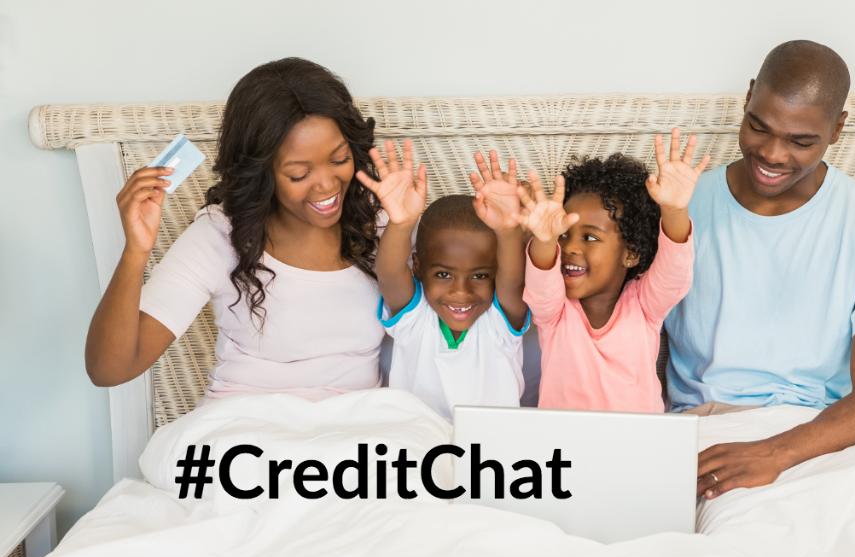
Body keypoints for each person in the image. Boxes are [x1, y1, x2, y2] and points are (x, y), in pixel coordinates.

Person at [661, 40, 855, 499]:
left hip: (824, 437)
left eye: (801, 141)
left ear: (837, 129)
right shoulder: (680, 204)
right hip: (707, 429)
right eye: (759, 128)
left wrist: (775, 453)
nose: (774, 155)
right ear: (747, 97)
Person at [85, 57, 387, 400]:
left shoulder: (380, 224)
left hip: (357, 433)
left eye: (339, 160)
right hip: (246, 429)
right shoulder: (220, 236)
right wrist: (135, 252)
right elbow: (109, 370)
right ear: (262, 172)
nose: (325, 186)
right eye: (299, 175)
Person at [520, 130, 707, 412]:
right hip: (566, 445)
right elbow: (541, 281)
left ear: (630, 253)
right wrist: (545, 240)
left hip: (635, 444)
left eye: (590, 237)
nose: (570, 247)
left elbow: (674, 273)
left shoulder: (644, 306)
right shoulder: (555, 313)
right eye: (564, 235)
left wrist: (674, 209)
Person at [358, 143, 530, 419]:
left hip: (490, 447)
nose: (461, 291)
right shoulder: (415, 319)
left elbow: (513, 281)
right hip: (418, 443)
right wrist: (401, 224)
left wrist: (508, 232)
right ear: (417, 267)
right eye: (443, 274)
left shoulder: (499, 323)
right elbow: (389, 274)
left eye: (480, 275)